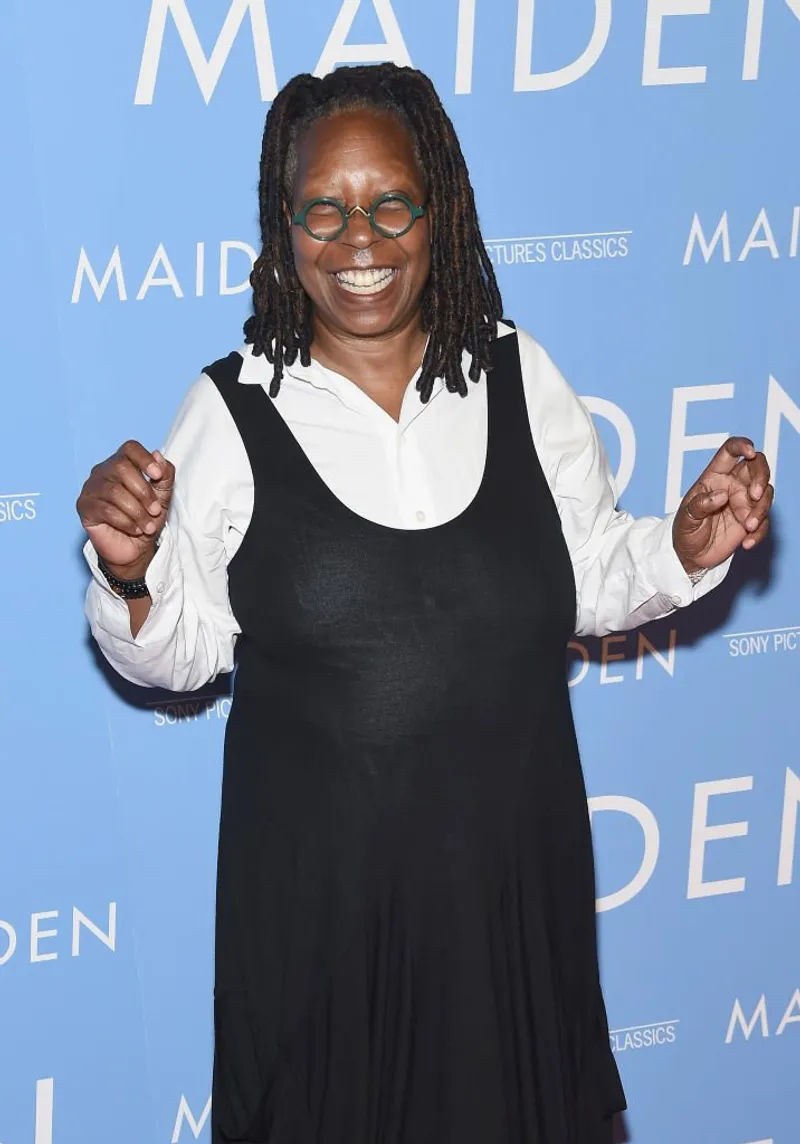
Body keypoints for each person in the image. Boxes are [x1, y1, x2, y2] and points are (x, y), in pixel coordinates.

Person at [77, 64, 773, 1144]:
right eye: (323, 206)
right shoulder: (230, 408)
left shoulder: (515, 374)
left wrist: (682, 546)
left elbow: (586, 574)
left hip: (507, 914)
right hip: (322, 947)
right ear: (284, 222)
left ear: (434, 209)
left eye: (389, 200)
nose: (359, 236)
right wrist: (129, 572)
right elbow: (181, 652)